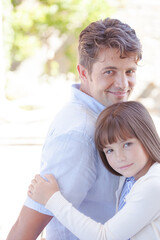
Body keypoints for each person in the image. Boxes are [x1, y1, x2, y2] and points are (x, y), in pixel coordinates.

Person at [6, 18, 142, 240]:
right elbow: (26, 230)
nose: (123, 84)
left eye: (129, 71)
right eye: (109, 71)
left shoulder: (110, 118)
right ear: (83, 72)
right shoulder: (79, 133)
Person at [28, 101, 160, 240]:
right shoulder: (130, 179)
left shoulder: (152, 185)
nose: (119, 157)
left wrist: (52, 199)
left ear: (146, 137)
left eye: (127, 144)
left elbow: (104, 237)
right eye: (110, 150)